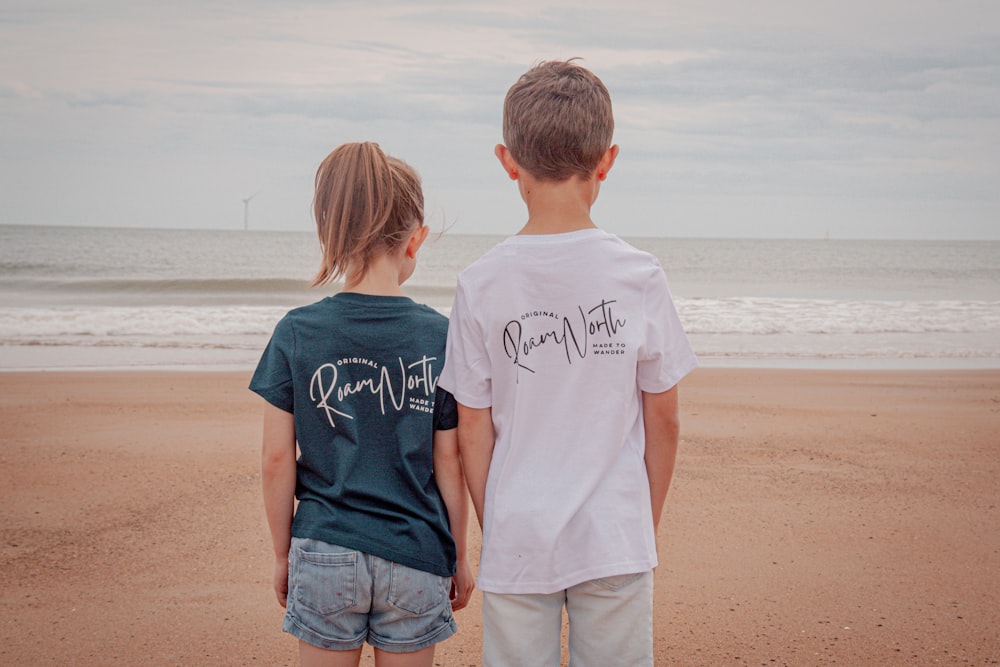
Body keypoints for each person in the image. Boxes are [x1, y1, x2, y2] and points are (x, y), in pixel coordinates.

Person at [439, 60, 698, 666]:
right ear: (607, 160)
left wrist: (495, 518)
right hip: (614, 530)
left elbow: (472, 426)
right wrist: (642, 519)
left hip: (519, 530)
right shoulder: (639, 276)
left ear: (507, 161)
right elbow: (665, 419)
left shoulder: (481, 282)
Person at [251, 142, 473, 667]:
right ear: (415, 240)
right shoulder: (440, 337)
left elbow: (276, 459)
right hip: (417, 551)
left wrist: (283, 553)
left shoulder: (297, 333)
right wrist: (460, 555)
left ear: (332, 233)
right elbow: (450, 461)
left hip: (325, 547)